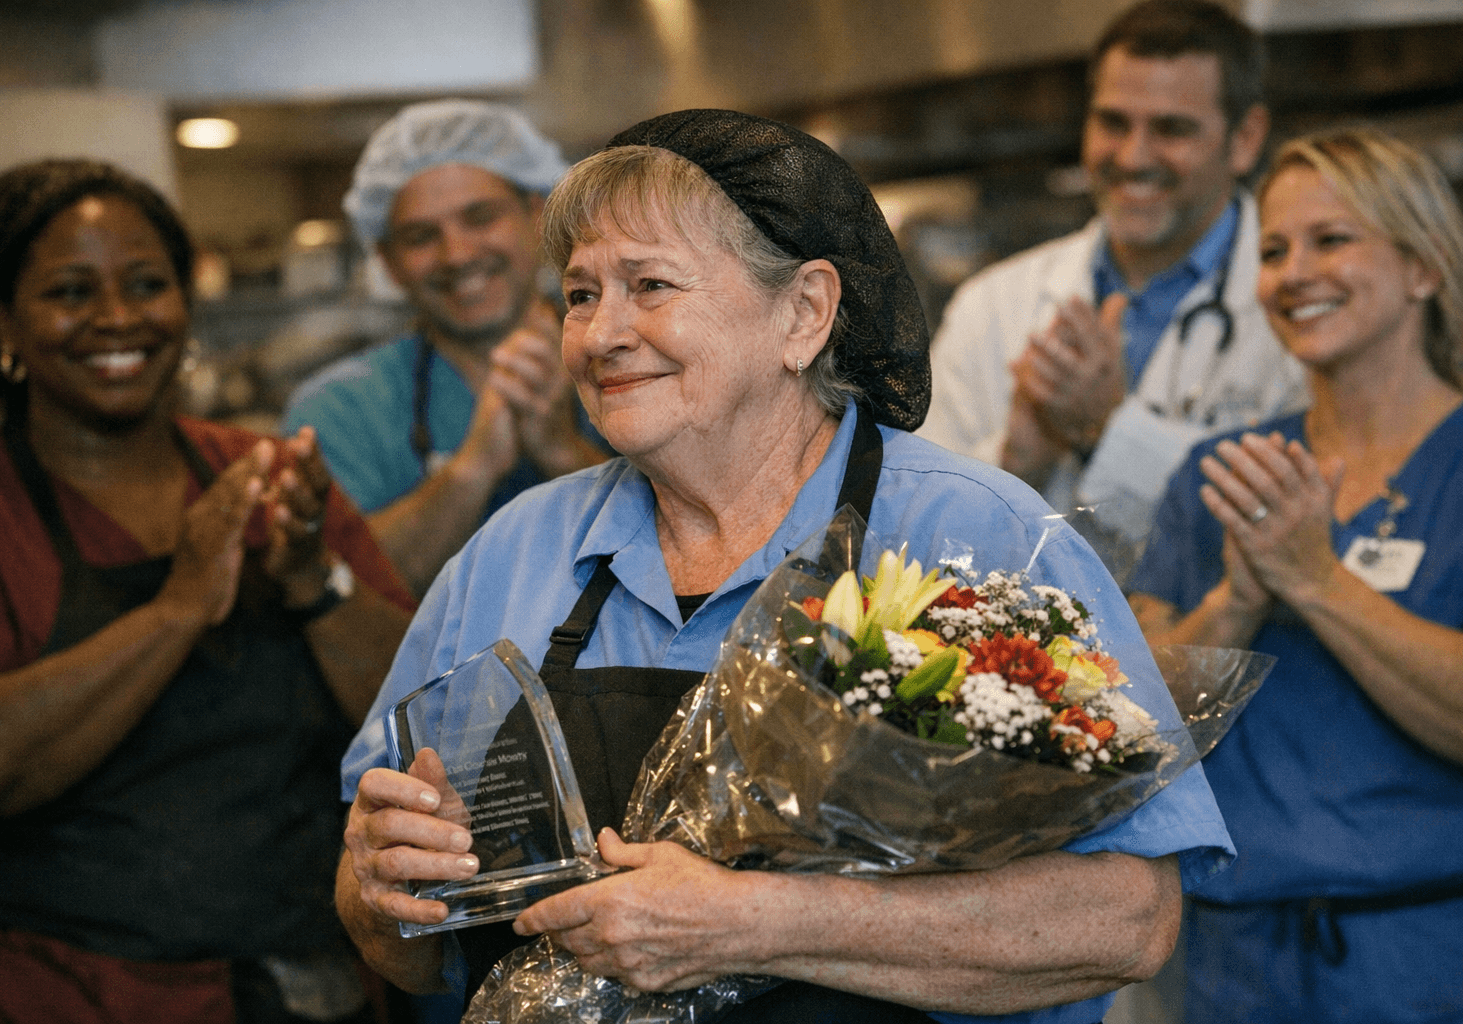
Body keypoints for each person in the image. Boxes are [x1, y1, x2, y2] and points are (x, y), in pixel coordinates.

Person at [336, 109, 1234, 1024]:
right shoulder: (511, 553)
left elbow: (1130, 918)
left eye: (649, 284)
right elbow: (405, 946)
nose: (601, 332)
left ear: (803, 312)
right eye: (577, 295)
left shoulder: (977, 536)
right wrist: (380, 893)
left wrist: (755, 923)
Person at [0, 159, 415, 1023]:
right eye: (71, 292)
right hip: (44, 993)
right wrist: (179, 607)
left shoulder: (264, 477)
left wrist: (311, 579)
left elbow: (421, 721)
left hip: (307, 987)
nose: (117, 318)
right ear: (1, 317)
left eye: (147, 284)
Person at [1128, 129, 1463, 1022]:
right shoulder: (1220, 476)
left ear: (1424, 268)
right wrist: (1237, 598)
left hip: (1426, 956)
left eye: (1332, 240)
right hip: (1233, 963)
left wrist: (1317, 579)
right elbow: (1131, 733)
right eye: (1273, 251)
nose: (1293, 272)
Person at [916, 0, 1305, 571]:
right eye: (1113, 122)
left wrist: (1107, 428)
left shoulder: (1298, 311)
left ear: (1245, 138)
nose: (1133, 157)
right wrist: (1019, 458)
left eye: (1172, 128)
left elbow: (1289, 547)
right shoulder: (992, 305)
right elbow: (911, 531)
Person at [283, 100, 609, 595]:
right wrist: (473, 468)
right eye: (420, 236)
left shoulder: (636, 360)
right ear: (388, 263)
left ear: (537, 216)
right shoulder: (338, 411)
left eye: (480, 217)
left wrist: (563, 451)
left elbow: (709, 546)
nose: (456, 254)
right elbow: (339, 594)